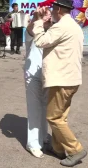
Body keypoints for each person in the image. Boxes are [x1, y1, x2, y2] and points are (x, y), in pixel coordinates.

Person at [32, 0, 87, 167]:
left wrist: (39, 21)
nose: (52, 12)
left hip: (62, 79)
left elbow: (40, 41)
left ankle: (75, 149)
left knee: (54, 117)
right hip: (70, 78)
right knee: (60, 116)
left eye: (53, 9)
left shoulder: (62, 26)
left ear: (58, 10)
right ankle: (57, 148)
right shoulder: (73, 26)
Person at [23, 10, 52, 158]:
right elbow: (29, 29)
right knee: (34, 107)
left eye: (49, 15)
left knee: (45, 107)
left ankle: (44, 135)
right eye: (45, 15)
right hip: (32, 74)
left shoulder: (52, 33)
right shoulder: (33, 31)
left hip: (49, 75)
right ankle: (33, 143)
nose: (48, 17)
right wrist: (37, 18)